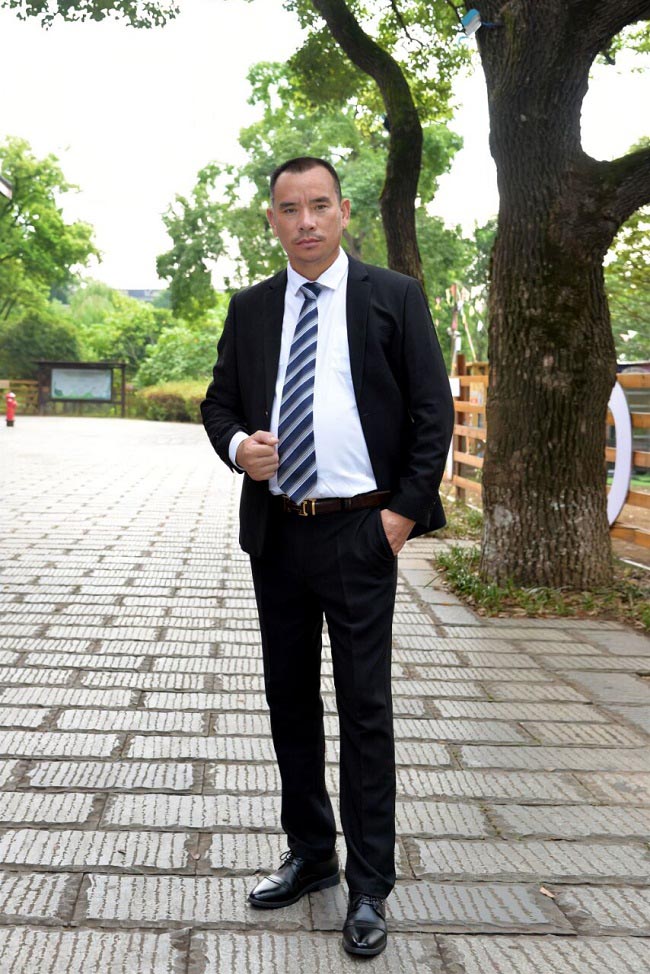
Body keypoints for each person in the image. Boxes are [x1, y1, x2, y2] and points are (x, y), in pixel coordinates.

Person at [201, 156, 454, 957]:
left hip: (361, 531)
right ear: (272, 220)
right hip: (279, 532)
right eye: (289, 208)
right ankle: (311, 854)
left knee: (364, 707)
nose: (305, 221)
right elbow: (218, 404)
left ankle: (369, 882)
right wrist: (239, 447)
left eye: (318, 205)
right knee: (288, 699)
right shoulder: (251, 308)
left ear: (343, 212)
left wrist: (400, 517)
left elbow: (432, 410)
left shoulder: (393, 297)